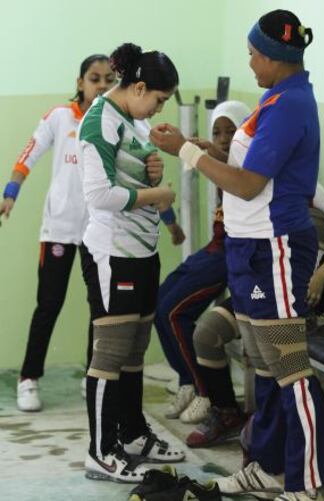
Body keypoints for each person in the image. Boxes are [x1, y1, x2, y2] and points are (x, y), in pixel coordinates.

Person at [150, 10, 324, 501]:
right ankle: (270, 466)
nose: (250, 61)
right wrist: (185, 145)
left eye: (254, 53)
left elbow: (249, 185)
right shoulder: (273, 99)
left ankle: (306, 479)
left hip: (274, 249)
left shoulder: (291, 105)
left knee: (289, 366)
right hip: (247, 251)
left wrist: (188, 156)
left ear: (275, 56)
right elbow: (240, 162)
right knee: (265, 364)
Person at [77, 43, 185, 484]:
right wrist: (155, 195)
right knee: (110, 354)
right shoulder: (100, 120)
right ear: (139, 87)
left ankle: (134, 433)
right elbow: (98, 195)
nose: (157, 107)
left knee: (135, 351)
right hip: (113, 251)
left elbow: (131, 172)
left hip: (142, 250)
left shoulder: (132, 120)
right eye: (158, 99)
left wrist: (152, 169)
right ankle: (100, 451)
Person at [186, 182, 324, 449]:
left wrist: (321, 277)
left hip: (298, 292)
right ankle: (227, 414)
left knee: (273, 357)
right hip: (259, 285)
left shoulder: (309, 187)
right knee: (207, 334)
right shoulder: (248, 181)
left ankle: (284, 437)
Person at [0, 55, 117, 412]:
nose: (100, 84)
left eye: (108, 79)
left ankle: (91, 376)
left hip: (98, 231)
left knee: (99, 308)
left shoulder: (113, 122)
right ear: (80, 82)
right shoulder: (59, 117)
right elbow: (29, 154)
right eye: (94, 78)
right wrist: (10, 193)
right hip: (59, 230)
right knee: (49, 304)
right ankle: (29, 378)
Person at [154, 100, 250, 425]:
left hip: (232, 253)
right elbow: (226, 161)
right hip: (215, 246)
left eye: (231, 131)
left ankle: (204, 392)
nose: (224, 138)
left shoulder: (252, 166)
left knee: (175, 311)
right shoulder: (225, 160)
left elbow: (238, 171)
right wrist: (206, 151)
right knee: (160, 303)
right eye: (217, 132)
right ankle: (186, 381)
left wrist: (192, 150)